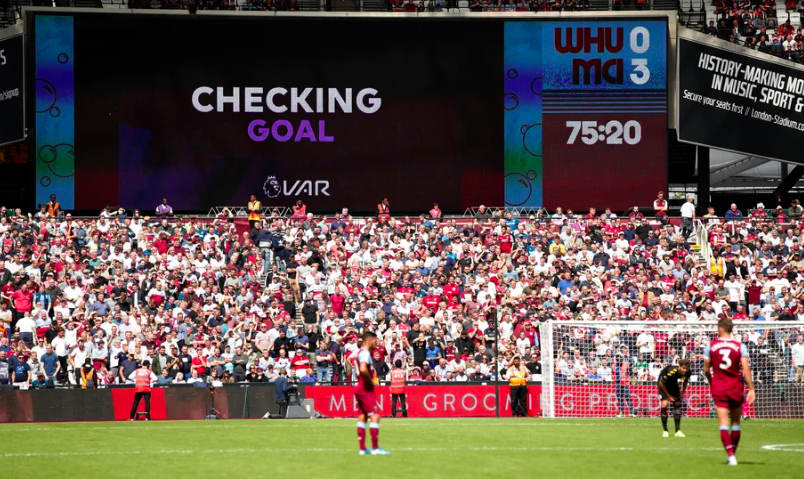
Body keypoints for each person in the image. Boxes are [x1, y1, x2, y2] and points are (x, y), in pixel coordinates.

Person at [704, 319, 756, 466]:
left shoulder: (711, 346)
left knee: (723, 424)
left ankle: (731, 456)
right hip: (736, 387)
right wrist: (752, 389)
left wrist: (711, 381)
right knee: (735, 423)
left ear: (720, 328)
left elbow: (706, 369)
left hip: (719, 386)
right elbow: (746, 369)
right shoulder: (740, 346)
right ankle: (733, 454)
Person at [355, 331, 390, 455]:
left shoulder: (361, 352)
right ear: (369, 341)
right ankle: (375, 448)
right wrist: (370, 382)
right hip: (365, 388)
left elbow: (358, 370)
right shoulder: (365, 353)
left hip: (359, 387)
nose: (377, 343)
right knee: (375, 416)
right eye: (375, 341)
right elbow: (363, 369)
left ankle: (363, 448)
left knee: (363, 417)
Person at [657, 359, 691, 437]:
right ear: (679, 367)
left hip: (673, 384)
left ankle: (677, 431)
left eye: (686, 369)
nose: (685, 371)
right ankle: (665, 431)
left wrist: (683, 392)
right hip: (663, 384)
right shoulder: (670, 371)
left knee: (677, 405)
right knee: (665, 404)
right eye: (684, 368)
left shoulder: (687, 372)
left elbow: (685, 381)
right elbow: (661, 383)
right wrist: (669, 396)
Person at [614, 352, 635, 417]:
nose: (618, 359)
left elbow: (631, 373)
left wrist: (629, 377)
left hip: (625, 382)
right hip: (617, 383)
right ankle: (621, 412)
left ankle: (631, 412)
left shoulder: (626, 364)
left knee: (627, 396)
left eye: (619, 357)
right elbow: (613, 373)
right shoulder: (614, 365)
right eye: (617, 358)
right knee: (619, 398)